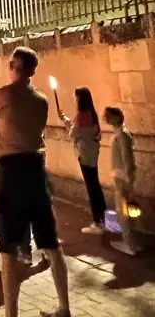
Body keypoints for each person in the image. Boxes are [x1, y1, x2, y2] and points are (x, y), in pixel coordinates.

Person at [0, 47, 70, 317]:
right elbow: (34, 135)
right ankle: (64, 307)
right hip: (36, 171)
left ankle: (11, 314)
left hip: (13, 173)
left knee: (8, 249)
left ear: (12, 66)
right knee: (51, 243)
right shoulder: (41, 100)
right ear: (33, 70)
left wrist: (2, 147)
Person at [58, 87, 105, 235]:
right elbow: (80, 130)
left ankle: (97, 223)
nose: (74, 100)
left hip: (85, 155)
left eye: (76, 97)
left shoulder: (81, 115)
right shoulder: (91, 113)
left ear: (80, 99)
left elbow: (73, 133)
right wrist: (64, 118)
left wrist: (66, 121)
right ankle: (103, 219)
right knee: (95, 185)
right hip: (92, 154)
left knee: (91, 187)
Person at [104, 106, 143, 255]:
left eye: (109, 116)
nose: (106, 119)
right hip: (122, 177)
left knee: (124, 213)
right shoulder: (121, 133)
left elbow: (127, 158)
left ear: (117, 117)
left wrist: (128, 179)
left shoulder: (122, 134)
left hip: (122, 178)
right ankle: (131, 242)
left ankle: (130, 245)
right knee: (125, 212)